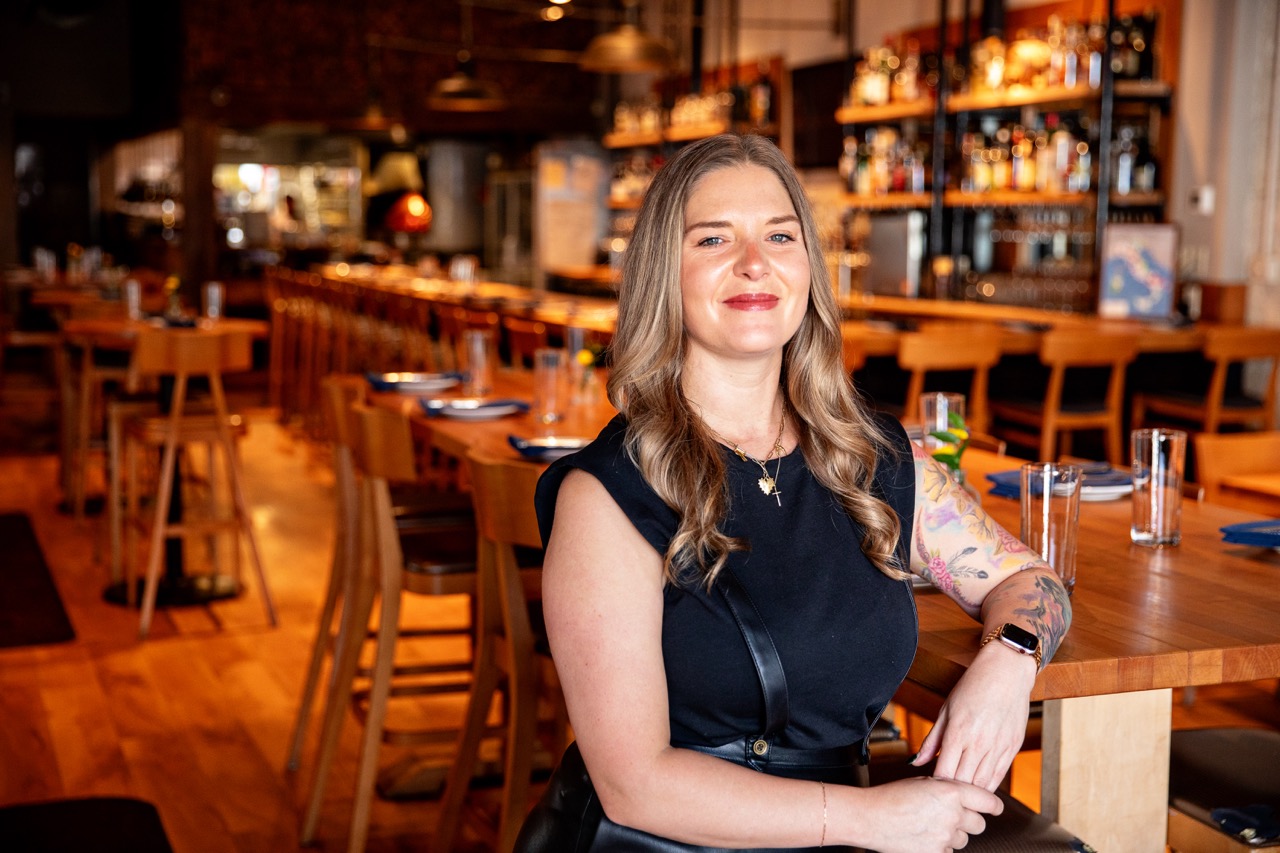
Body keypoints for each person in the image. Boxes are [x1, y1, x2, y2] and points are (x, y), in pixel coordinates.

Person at [531, 134, 1072, 853]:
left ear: (807, 269)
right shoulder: (608, 494)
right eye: (714, 238)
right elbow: (635, 781)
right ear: (665, 271)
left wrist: (1009, 661)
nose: (754, 262)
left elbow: (1030, 579)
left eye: (779, 235)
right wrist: (874, 819)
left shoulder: (871, 458)